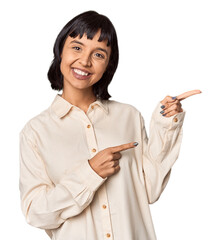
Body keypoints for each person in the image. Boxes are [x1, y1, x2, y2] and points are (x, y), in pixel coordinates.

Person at [19, 10, 201, 240]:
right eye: (76, 47)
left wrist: (165, 126)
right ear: (60, 51)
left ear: (108, 65)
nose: (84, 61)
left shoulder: (129, 117)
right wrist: (90, 173)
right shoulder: (35, 132)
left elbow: (149, 190)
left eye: (99, 54)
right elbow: (36, 213)